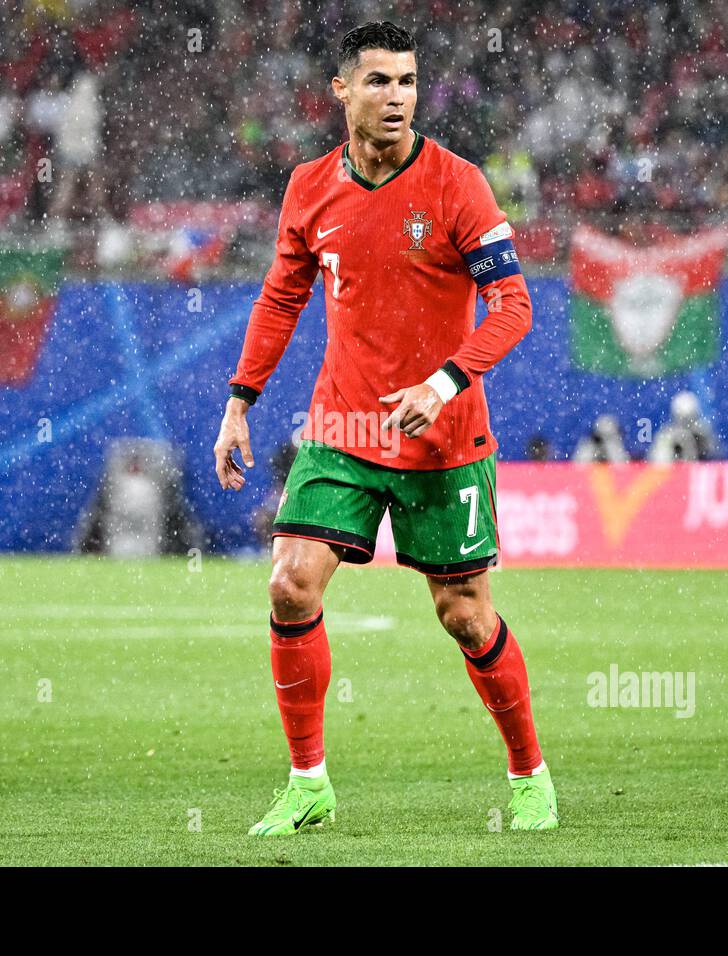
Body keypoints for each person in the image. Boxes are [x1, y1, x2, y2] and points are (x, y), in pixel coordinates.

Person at [213, 21, 554, 835]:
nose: (396, 96)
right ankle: (308, 784)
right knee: (291, 583)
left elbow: (514, 307)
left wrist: (443, 382)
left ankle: (530, 774)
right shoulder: (309, 188)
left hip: (445, 434)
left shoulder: (458, 185)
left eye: (406, 81)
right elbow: (281, 298)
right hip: (341, 426)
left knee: (465, 614)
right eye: (378, 82)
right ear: (342, 92)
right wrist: (239, 400)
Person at [649, 391, 717, 462]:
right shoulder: (666, 436)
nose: (686, 422)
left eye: (689, 418)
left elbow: (713, 458)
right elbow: (657, 462)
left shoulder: (703, 434)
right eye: (683, 418)